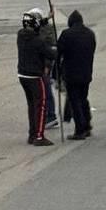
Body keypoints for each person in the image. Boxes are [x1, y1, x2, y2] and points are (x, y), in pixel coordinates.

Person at [17, 11, 57, 146]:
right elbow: (51, 55)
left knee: (32, 105)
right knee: (41, 105)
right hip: (35, 76)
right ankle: (39, 136)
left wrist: (46, 19)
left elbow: (37, 25)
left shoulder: (20, 36)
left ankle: (32, 134)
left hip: (22, 75)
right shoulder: (38, 41)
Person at [57, 10, 96, 140]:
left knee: (75, 102)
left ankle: (80, 129)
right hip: (86, 72)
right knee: (83, 99)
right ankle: (87, 125)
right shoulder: (90, 34)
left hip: (71, 73)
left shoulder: (66, 34)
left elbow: (58, 53)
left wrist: (56, 72)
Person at [29, 8, 59, 129]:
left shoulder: (45, 31)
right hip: (36, 65)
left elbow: (50, 49)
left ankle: (50, 116)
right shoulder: (41, 28)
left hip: (43, 66)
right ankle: (45, 115)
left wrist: (47, 66)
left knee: (45, 91)